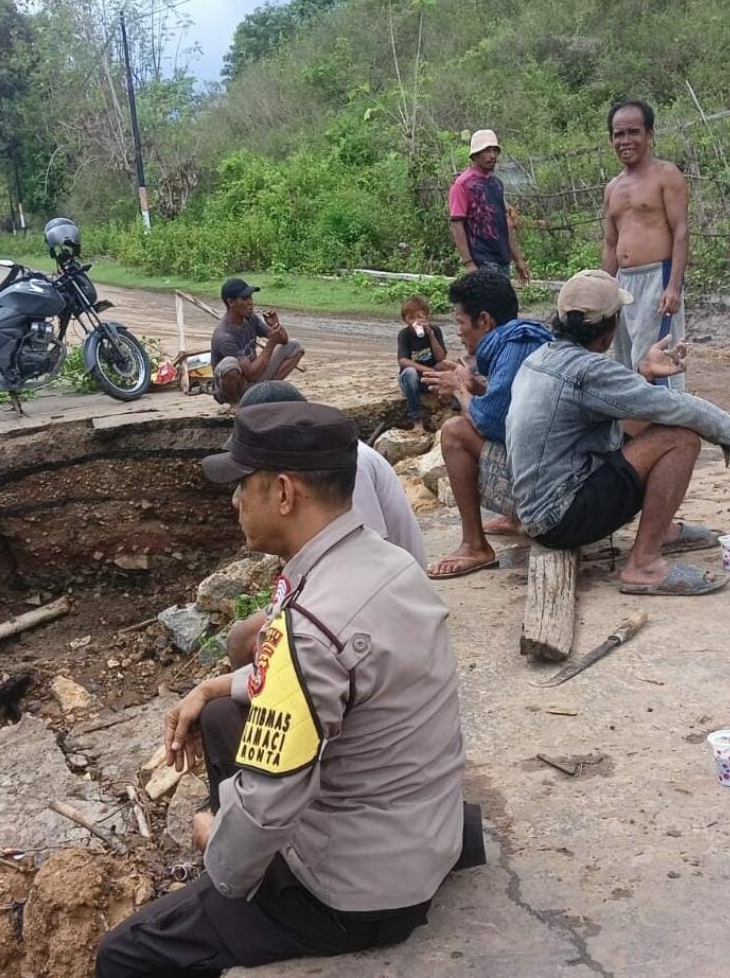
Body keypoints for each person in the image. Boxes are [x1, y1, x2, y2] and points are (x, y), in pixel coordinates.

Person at [95, 402, 466, 978]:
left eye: (244, 485)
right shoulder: (385, 564)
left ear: (285, 493)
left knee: (122, 955)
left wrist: (218, 846)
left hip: (354, 897)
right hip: (421, 832)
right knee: (219, 717)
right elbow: (323, 676)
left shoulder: (314, 622)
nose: (235, 500)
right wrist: (215, 685)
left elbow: (271, 803)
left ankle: (243, 892)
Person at [507, 270, 730, 595]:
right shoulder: (588, 370)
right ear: (610, 327)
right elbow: (681, 407)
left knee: (650, 418)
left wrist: (643, 374)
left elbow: (618, 403)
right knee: (680, 438)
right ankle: (644, 563)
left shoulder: (541, 357)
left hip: (537, 512)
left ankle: (661, 530)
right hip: (559, 519)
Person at [221, 380, 427, 667]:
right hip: (364, 587)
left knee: (245, 640)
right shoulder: (321, 464)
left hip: (385, 603)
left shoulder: (351, 466)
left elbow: (364, 559)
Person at [423, 269, 551, 579]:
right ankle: (514, 518)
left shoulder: (514, 346)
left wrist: (460, 390)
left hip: (547, 481)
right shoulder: (524, 338)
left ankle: (475, 545)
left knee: (454, 431)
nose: (459, 333)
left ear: (484, 321)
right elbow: (510, 402)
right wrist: (476, 386)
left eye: (461, 324)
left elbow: (492, 422)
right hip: (555, 464)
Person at [602, 100, 690, 391]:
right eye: (618, 134)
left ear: (649, 134)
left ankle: (669, 429)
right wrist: (604, 288)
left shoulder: (666, 175)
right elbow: (610, 241)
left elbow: (680, 231)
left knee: (658, 360)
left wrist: (673, 286)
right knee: (627, 363)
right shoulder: (613, 187)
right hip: (623, 284)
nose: (625, 141)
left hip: (657, 279)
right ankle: (634, 430)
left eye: (633, 132)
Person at [448, 129, 531, 283]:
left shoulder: (496, 184)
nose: (492, 156)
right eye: (487, 151)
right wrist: (468, 263)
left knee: (501, 305)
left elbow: (505, 224)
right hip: (481, 261)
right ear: (475, 155)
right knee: (484, 306)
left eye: (494, 151)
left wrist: (518, 258)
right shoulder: (463, 185)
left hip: (502, 259)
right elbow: (457, 225)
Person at [211, 277, 304, 405]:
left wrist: (275, 325)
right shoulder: (224, 336)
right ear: (231, 302)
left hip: (253, 380)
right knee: (229, 365)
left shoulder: (250, 319)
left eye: (250, 297)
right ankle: (235, 403)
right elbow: (251, 374)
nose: (250, 302)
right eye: (244, 299)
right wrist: (270, 344)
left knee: (295, 346)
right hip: (236, 386)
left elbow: (283, 340)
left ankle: (266, 392)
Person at [396, 295, 450, 432]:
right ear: (405, 320)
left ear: (426, 316)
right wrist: (428, 370)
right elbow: (403, 361)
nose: (415, 321)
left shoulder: (434, 331)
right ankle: (417, 419)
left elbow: (441, 357)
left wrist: (430, 335)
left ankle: (453, 408)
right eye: (411, 318)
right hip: (412, 380)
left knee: (448, 365)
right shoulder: (405, 334)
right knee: (409, 372)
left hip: (429, 378)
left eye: (419, 317)